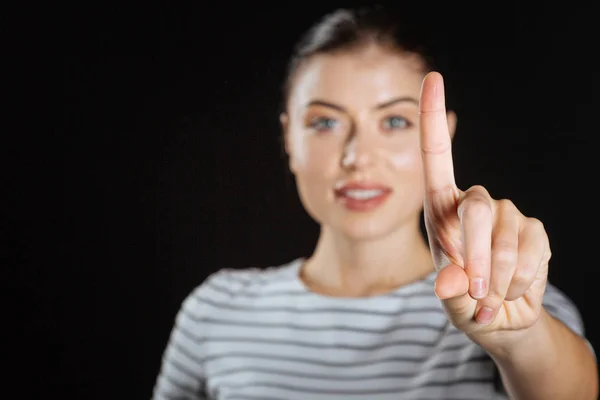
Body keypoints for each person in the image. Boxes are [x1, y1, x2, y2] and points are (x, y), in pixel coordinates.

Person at [152, 6, 598, 400]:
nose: (358, 158)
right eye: (324, 122)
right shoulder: (216, 309)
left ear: (444, 133)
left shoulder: (513, 297)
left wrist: (514, 338)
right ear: (288, 136)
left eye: (396, 121)